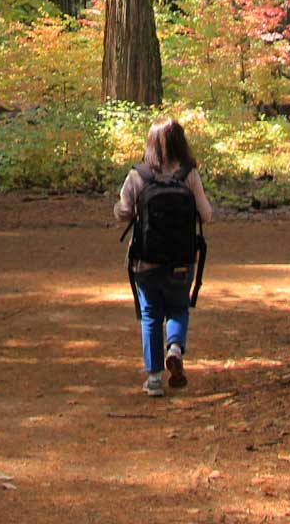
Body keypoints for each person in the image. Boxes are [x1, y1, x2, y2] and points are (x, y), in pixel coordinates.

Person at [114, 118, 214, 397]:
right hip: (182, 259)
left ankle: (154, 379)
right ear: (181, 142)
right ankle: (175, 348)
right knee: (179, 307)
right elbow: (206, 215)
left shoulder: (139, 175)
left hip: (145, 260)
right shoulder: (189, 175)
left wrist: (123, 209)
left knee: (150, 314)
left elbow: (123, 212)